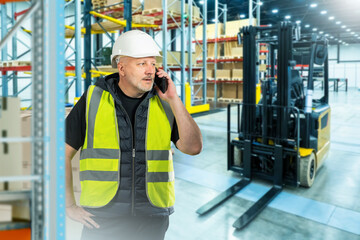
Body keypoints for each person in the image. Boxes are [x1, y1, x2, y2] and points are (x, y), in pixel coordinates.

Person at [65, 30, 202, 240]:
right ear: (121, 68)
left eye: (152, 63)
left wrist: (174, 100)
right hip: (102, 217)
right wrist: (69, 206)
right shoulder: (93, 99)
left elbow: (193, 148)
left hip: (152, 217)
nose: (150, 70)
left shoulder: (165, 103)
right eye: (141, 64)